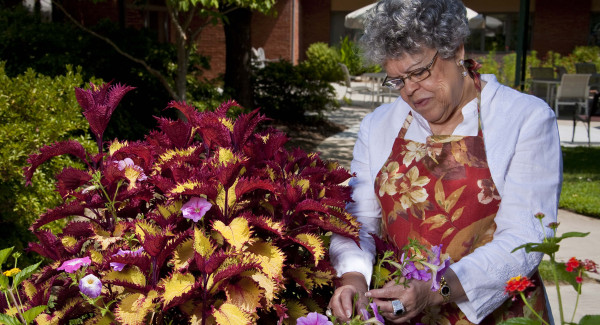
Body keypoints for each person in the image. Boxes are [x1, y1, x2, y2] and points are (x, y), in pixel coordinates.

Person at [328, 0, 562, 324]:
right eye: (397, 80)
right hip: (403, 313)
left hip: (502, 314)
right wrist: (353, 277)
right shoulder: (378, 125)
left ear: (457, 50)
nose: (410, 89)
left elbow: (525, 238)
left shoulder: (525, 119)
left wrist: (438, 289)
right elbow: (359, 221)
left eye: (420, 71)